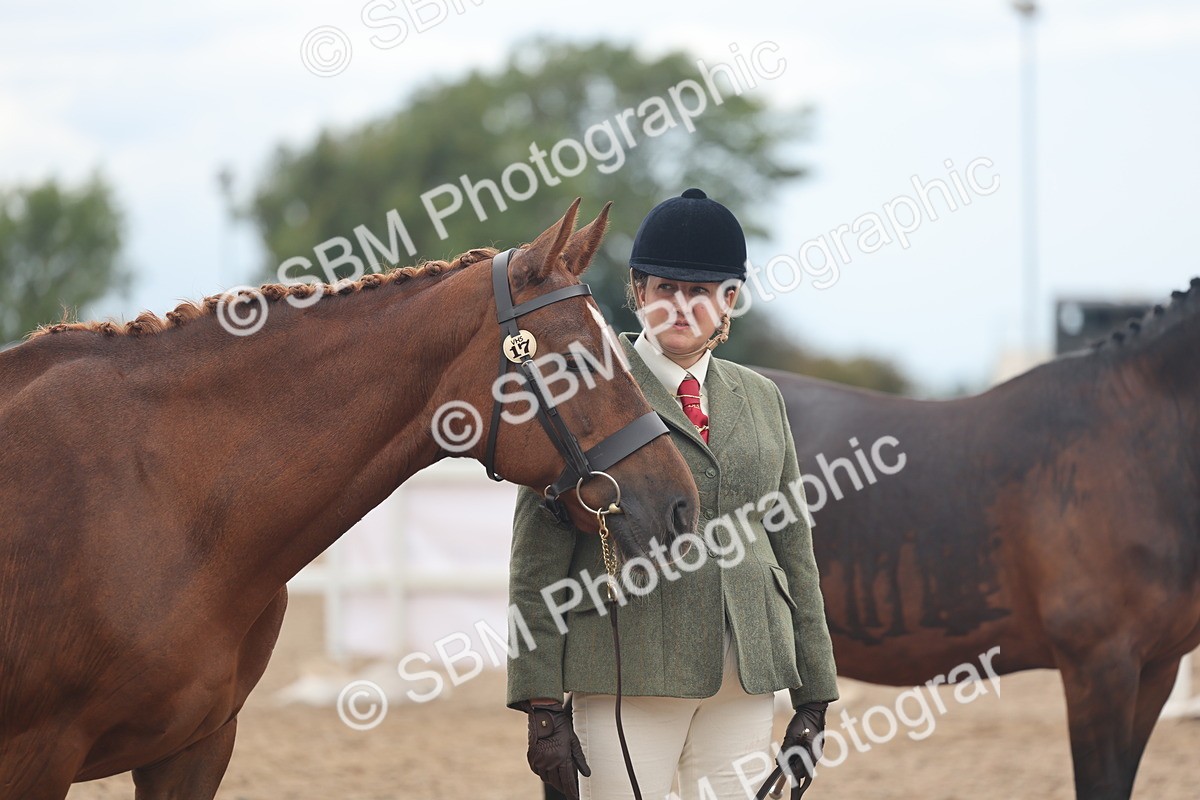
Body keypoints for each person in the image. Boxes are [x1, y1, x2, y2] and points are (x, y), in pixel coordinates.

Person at [507, 188, 839, 800]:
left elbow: (793, 544)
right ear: (638, 292)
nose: (681, 306)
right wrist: (541, 703)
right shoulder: (585, 388)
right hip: (626, 671)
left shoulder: (761, 397)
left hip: (745, 676)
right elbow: (537, 561)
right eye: (665, 289)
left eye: (701, 291)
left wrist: (815, 693)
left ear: (729, 300)